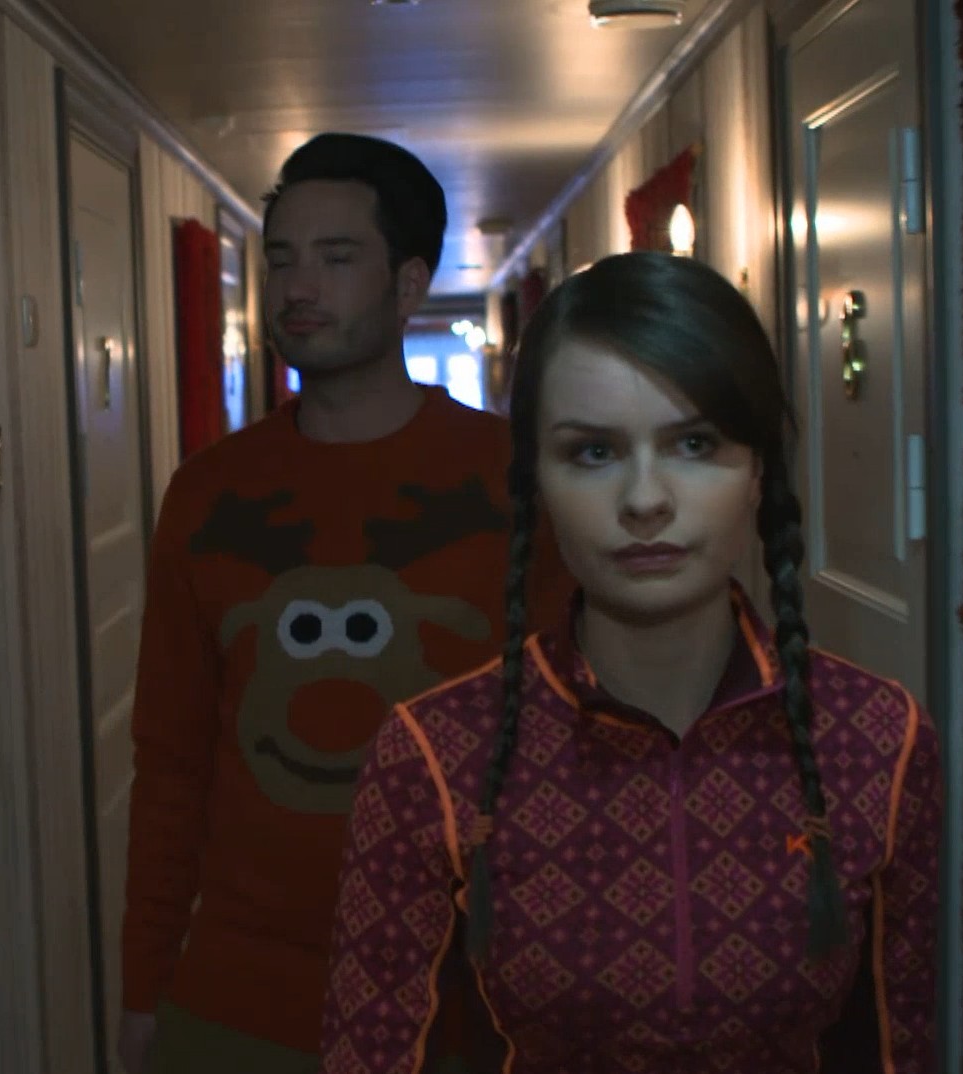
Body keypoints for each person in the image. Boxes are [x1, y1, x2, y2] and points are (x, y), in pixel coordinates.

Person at [319, 251, 942, 1073]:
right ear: (537, 481)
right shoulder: (434, 758)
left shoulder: (876, 740)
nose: (646, 500)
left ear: (758, 469)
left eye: (694, 443)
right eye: (594, 453)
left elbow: (908, 1044)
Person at [116, 133, 570, 1074]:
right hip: (243, 992)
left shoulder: (514, 482)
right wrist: (143, 983)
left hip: (464, 992)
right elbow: (170, 765)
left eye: (335, 257)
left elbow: (574, 743)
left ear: (408, 285)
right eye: (282, 258)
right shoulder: (208, 495)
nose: (298, 287)